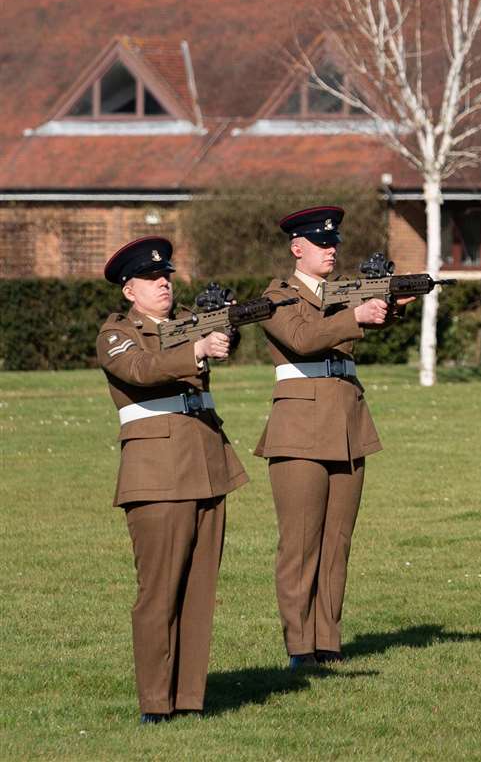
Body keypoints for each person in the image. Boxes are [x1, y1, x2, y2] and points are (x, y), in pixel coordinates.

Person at [97, 237, 247, 723]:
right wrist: (198, 349)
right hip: (157, 473)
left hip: (206, 462)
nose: (164, 282)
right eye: (151, 278)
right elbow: (142, 370)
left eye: (167, 276)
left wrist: (225, 330)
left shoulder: (187, 321)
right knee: (159, 592)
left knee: (200, 590)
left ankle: (189, 698)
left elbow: (213, 341)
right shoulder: (117, 334)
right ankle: (155, 704)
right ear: (129, 291)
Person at [257, 206, 397, 668]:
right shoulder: (277, 296)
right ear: (298, 249)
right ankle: (300, 646)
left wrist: (387, 307)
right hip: (299, 428)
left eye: (334, 242)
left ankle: (327, 641)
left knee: (337, 540)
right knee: (300, 543)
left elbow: (360, 325)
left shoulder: (342, 294)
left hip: (347, 422)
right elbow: (301, 338)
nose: (331, 249)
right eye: (321, 243)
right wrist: (356, 312)